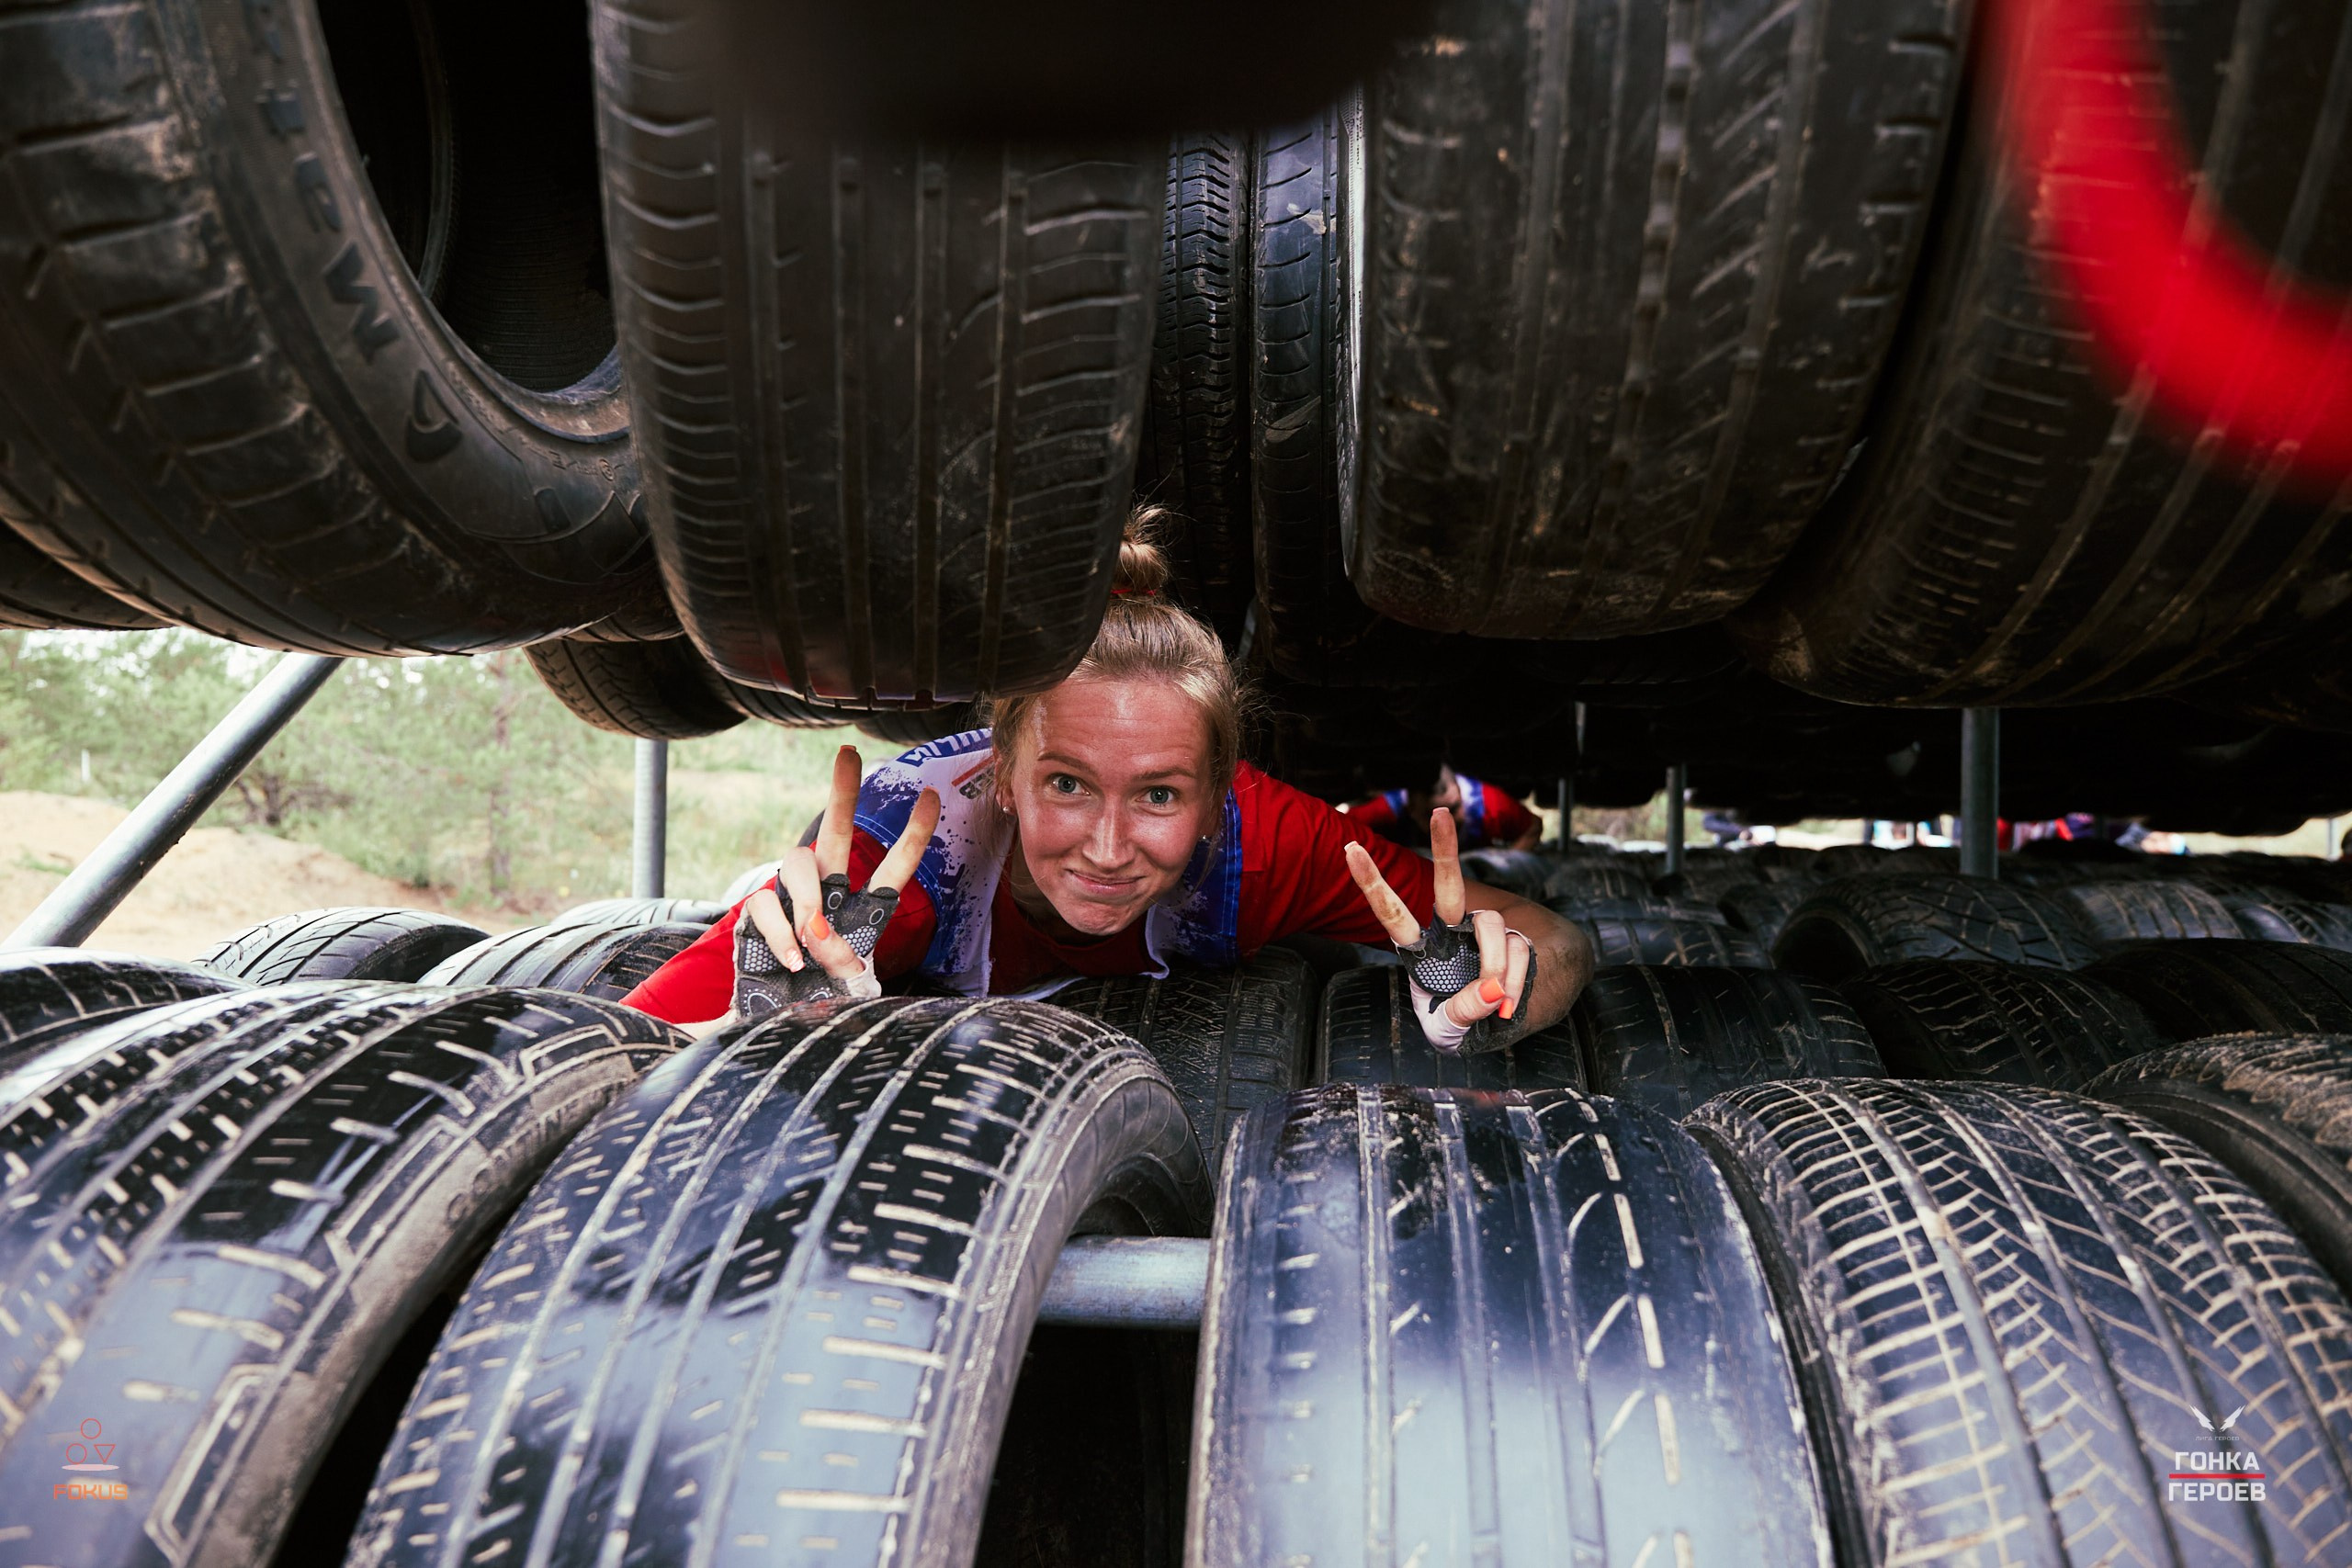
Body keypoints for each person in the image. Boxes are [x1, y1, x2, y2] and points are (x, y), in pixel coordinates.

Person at [624, 513, 1590, 1049]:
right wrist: (757, 1042)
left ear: (1218, 795)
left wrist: (1492, 1004)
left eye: (1160, 795)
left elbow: (1556, 939)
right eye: (1068, 785)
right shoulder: (901, 872)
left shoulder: (1273, 841)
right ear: (1004, 776)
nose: (1107, 845)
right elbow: (628, 1048)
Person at [1347, 766, 1544, 852]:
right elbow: (1344, 830)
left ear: (1458, 793)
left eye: (1454, 809)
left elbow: (1533, 826)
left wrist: (1505, 864)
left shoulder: (1490, 803)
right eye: (1429, 815)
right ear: (1411, 807)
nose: (1446, 822)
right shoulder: (1386, 810)